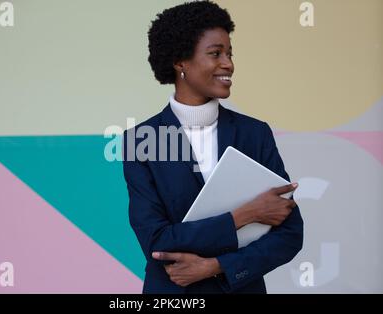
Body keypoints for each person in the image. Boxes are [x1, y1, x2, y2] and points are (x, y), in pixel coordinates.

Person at [122, 1, 303, 294]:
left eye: (229, 54)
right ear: (181, 61)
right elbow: (158, 241)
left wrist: (217, 266)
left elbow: (290, 235)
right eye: (215, 53)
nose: (228, 63)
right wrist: (245, 215)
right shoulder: (143, 140)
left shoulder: (254, 133)